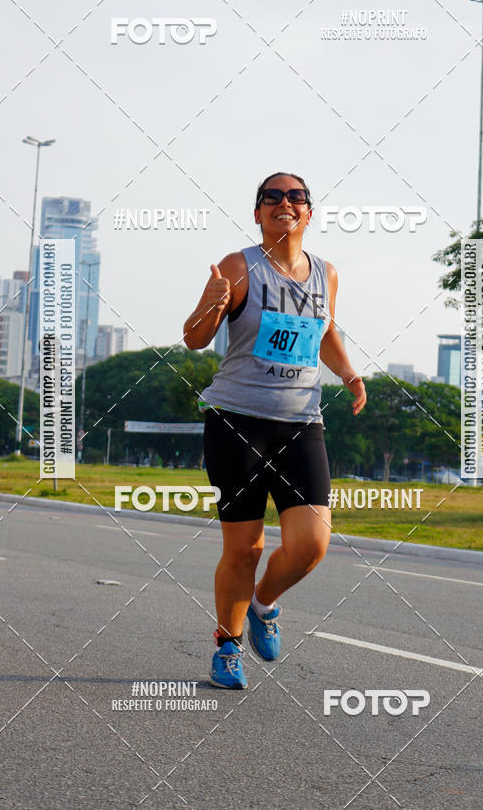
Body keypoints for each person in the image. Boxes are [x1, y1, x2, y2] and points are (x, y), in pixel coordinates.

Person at [183, 172, 366, 689]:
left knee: (312, 542)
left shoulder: (326, 274)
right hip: (236, 421)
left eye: (296, 197)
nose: (285, 203)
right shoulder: (238, 268)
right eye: (272, 197)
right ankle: (227, 647)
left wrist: (349, 373)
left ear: (309, 212)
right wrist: (213, 305)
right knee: (245, 548)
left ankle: (264, 605)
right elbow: (195, 338)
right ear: (258, 213)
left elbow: (325, 330)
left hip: (301, 421)